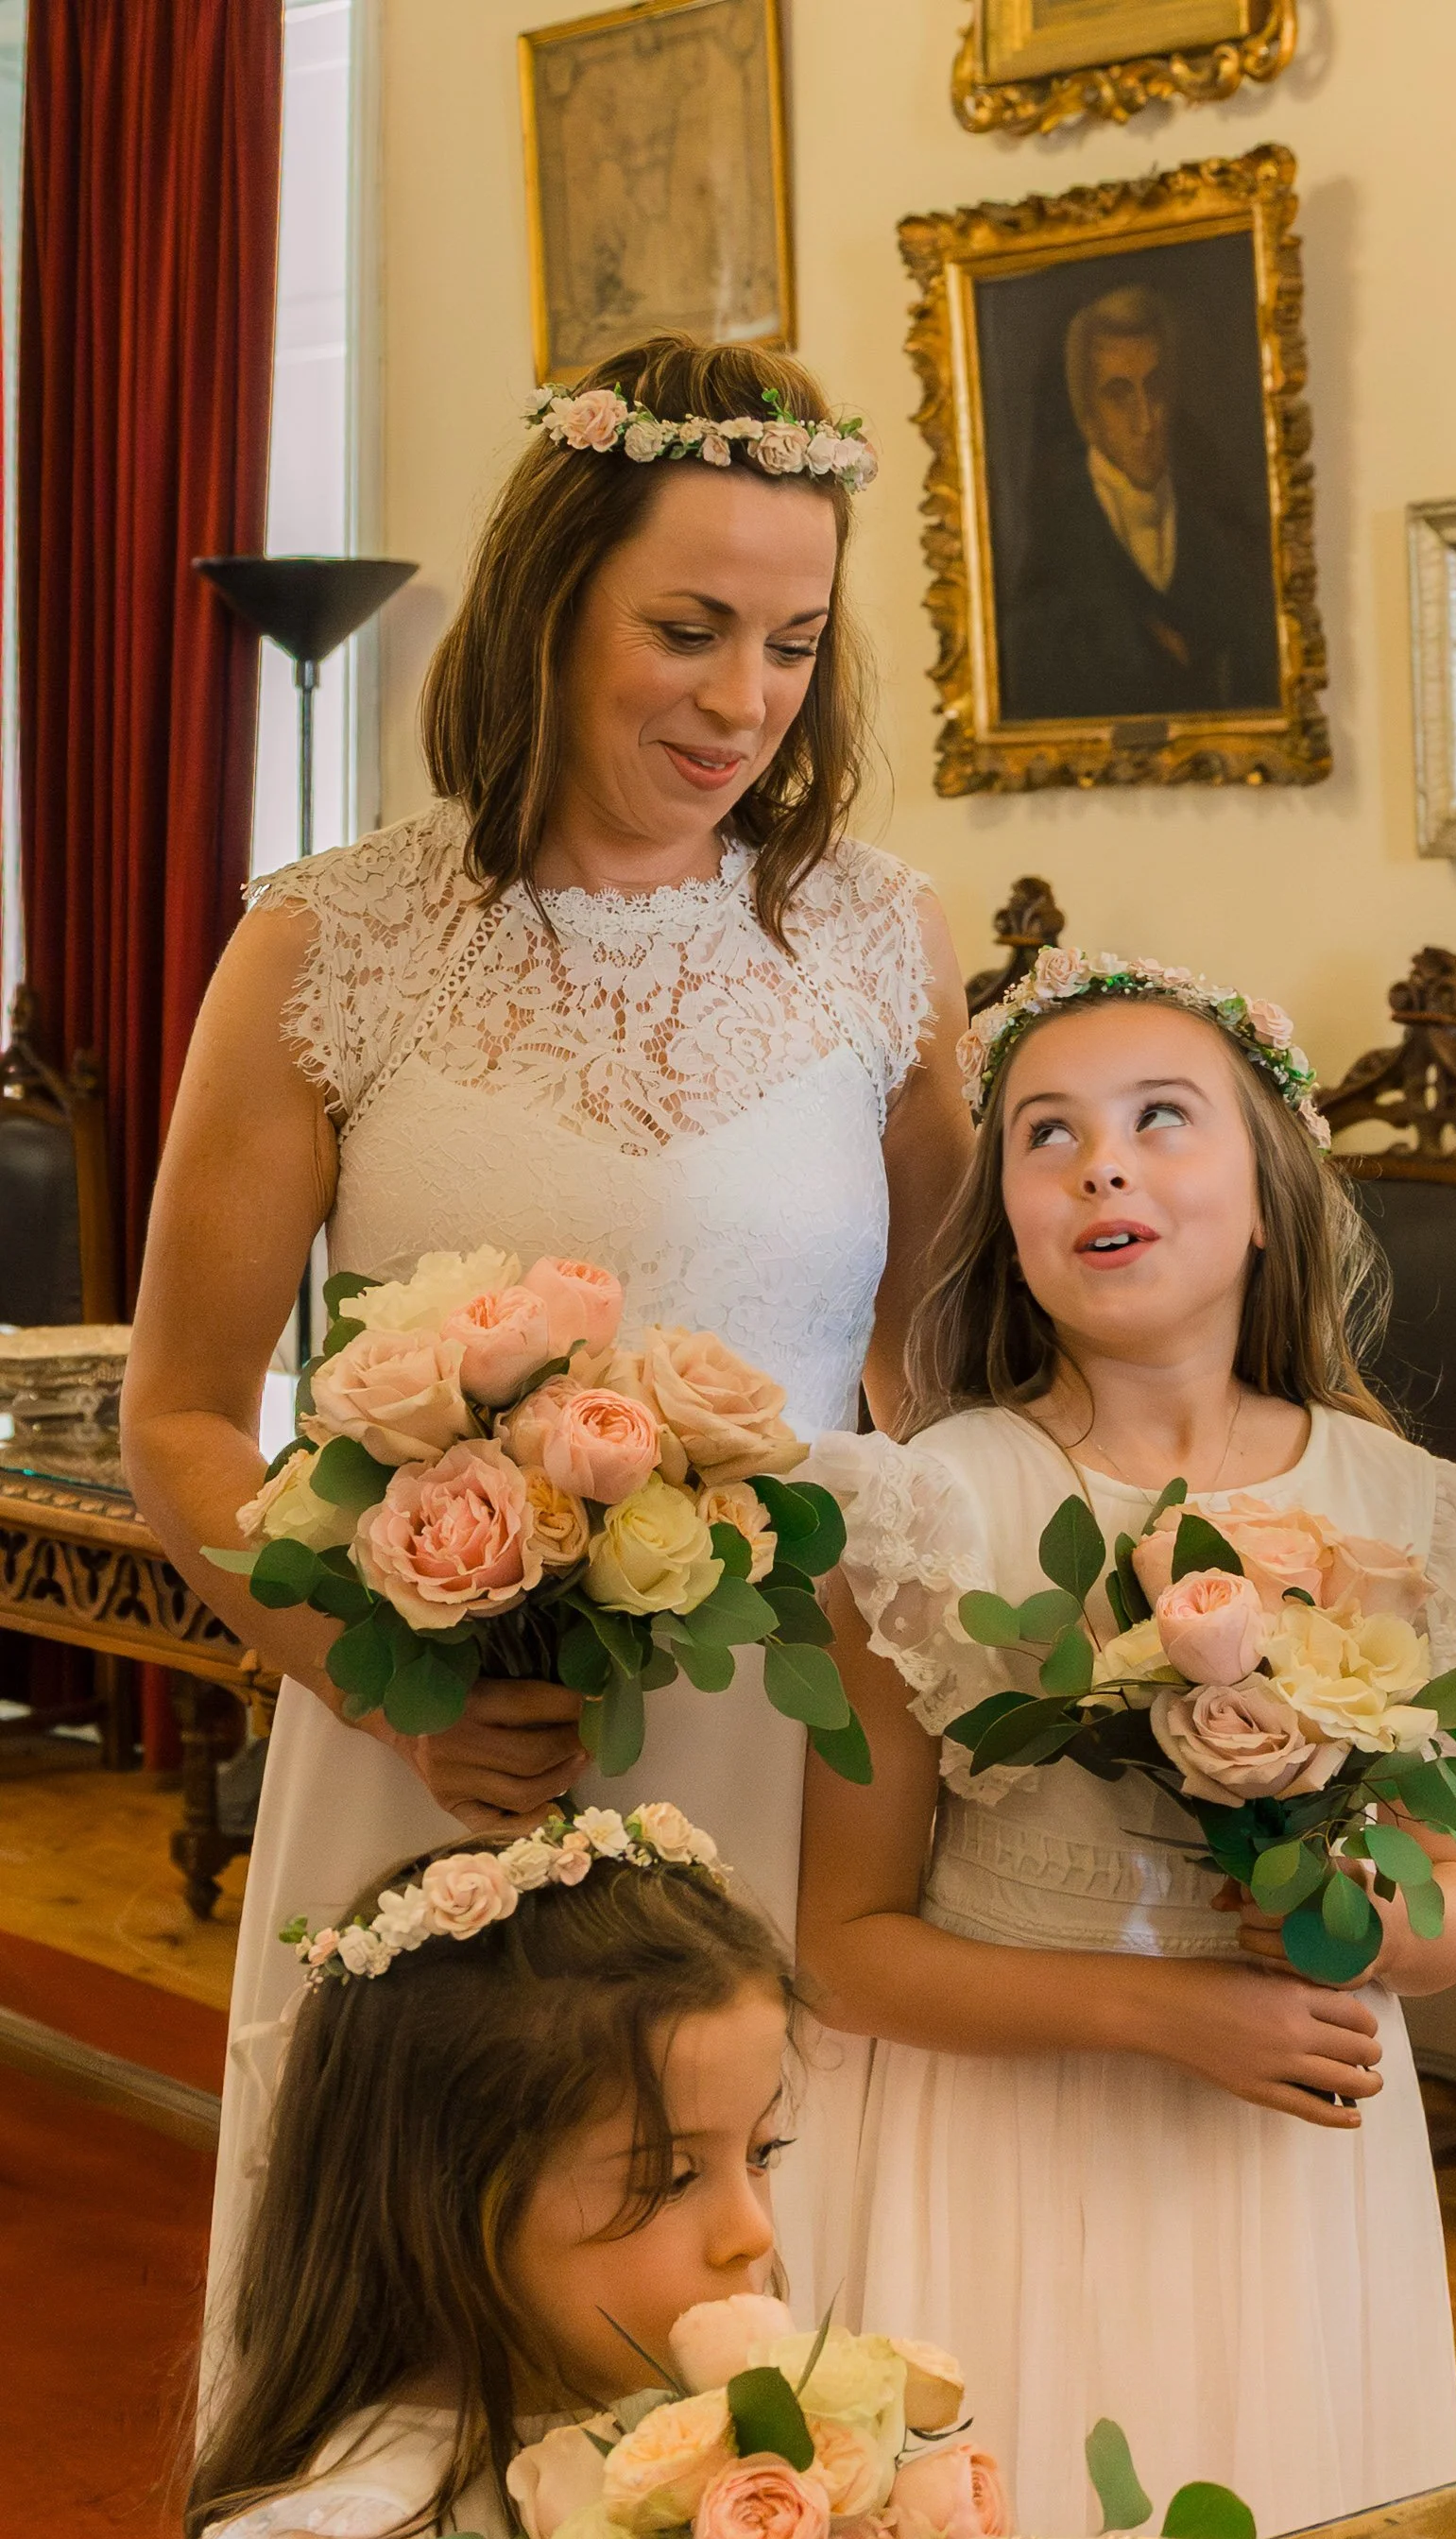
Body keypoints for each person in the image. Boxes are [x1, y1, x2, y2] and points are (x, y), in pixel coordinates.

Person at [122, 333, 972, 2363]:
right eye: (683, 628)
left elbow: (949, 1384)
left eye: (788, 640)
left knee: (751, 2360)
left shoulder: (877, 935)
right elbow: (174, 1410)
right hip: (452, 1753)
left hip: (789, 1756)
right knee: (436, 2325)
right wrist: (370, 1673)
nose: (739, 700)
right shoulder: (333, 941)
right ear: (545, 602)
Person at [797, 953, 1456, 2539]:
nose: (1104, 1164)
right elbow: (844, 1952)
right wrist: (1173, 2010)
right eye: (1048, 1136)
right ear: (1007, 1218)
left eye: (1158, 1119)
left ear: (1270, 1196)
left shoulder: (1395, 1509)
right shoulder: (936, 1509)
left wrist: (1394, 1926)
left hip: (1292, 2170)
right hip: (1011, 2144)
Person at [153, 1808, 797, 2539]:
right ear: (450, 2205)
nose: (751, 2231)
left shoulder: (682, 2428)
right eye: (673, 2176)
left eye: (765, 2149)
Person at [996, 282, 1279, 726]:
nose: (1145, 420)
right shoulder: (1051, 543)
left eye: (1155, 387)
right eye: (1119, 394)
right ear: (1086, 416)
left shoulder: (1217, 513)